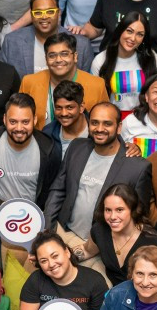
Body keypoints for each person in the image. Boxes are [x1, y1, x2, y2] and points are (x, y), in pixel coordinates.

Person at [0, 93, 63, 258]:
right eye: (13, 121)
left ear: (35, 120)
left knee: (26, 275)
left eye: (25, 122)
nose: (19, 128)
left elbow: (54, 190)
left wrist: (45, 223)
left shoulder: (48, 149)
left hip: (31, 226)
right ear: (4, 119)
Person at [56, 102, 152, 264]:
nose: (99, 129)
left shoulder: (138, 166)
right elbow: (58, 190)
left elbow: (139, 218)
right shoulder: (76, 147)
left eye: (107, 123)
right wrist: (49, 228)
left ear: (119, 127)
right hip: (65, 233)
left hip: (102, 249)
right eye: (94, 123)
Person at [3, 0, 96, 78]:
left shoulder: (81, 44)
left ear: (59, 13)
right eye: (38, 12)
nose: (44, 17)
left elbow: (87, 83)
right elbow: (5, 80)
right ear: (31, 15)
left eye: (50, 12)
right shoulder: (12, 41)